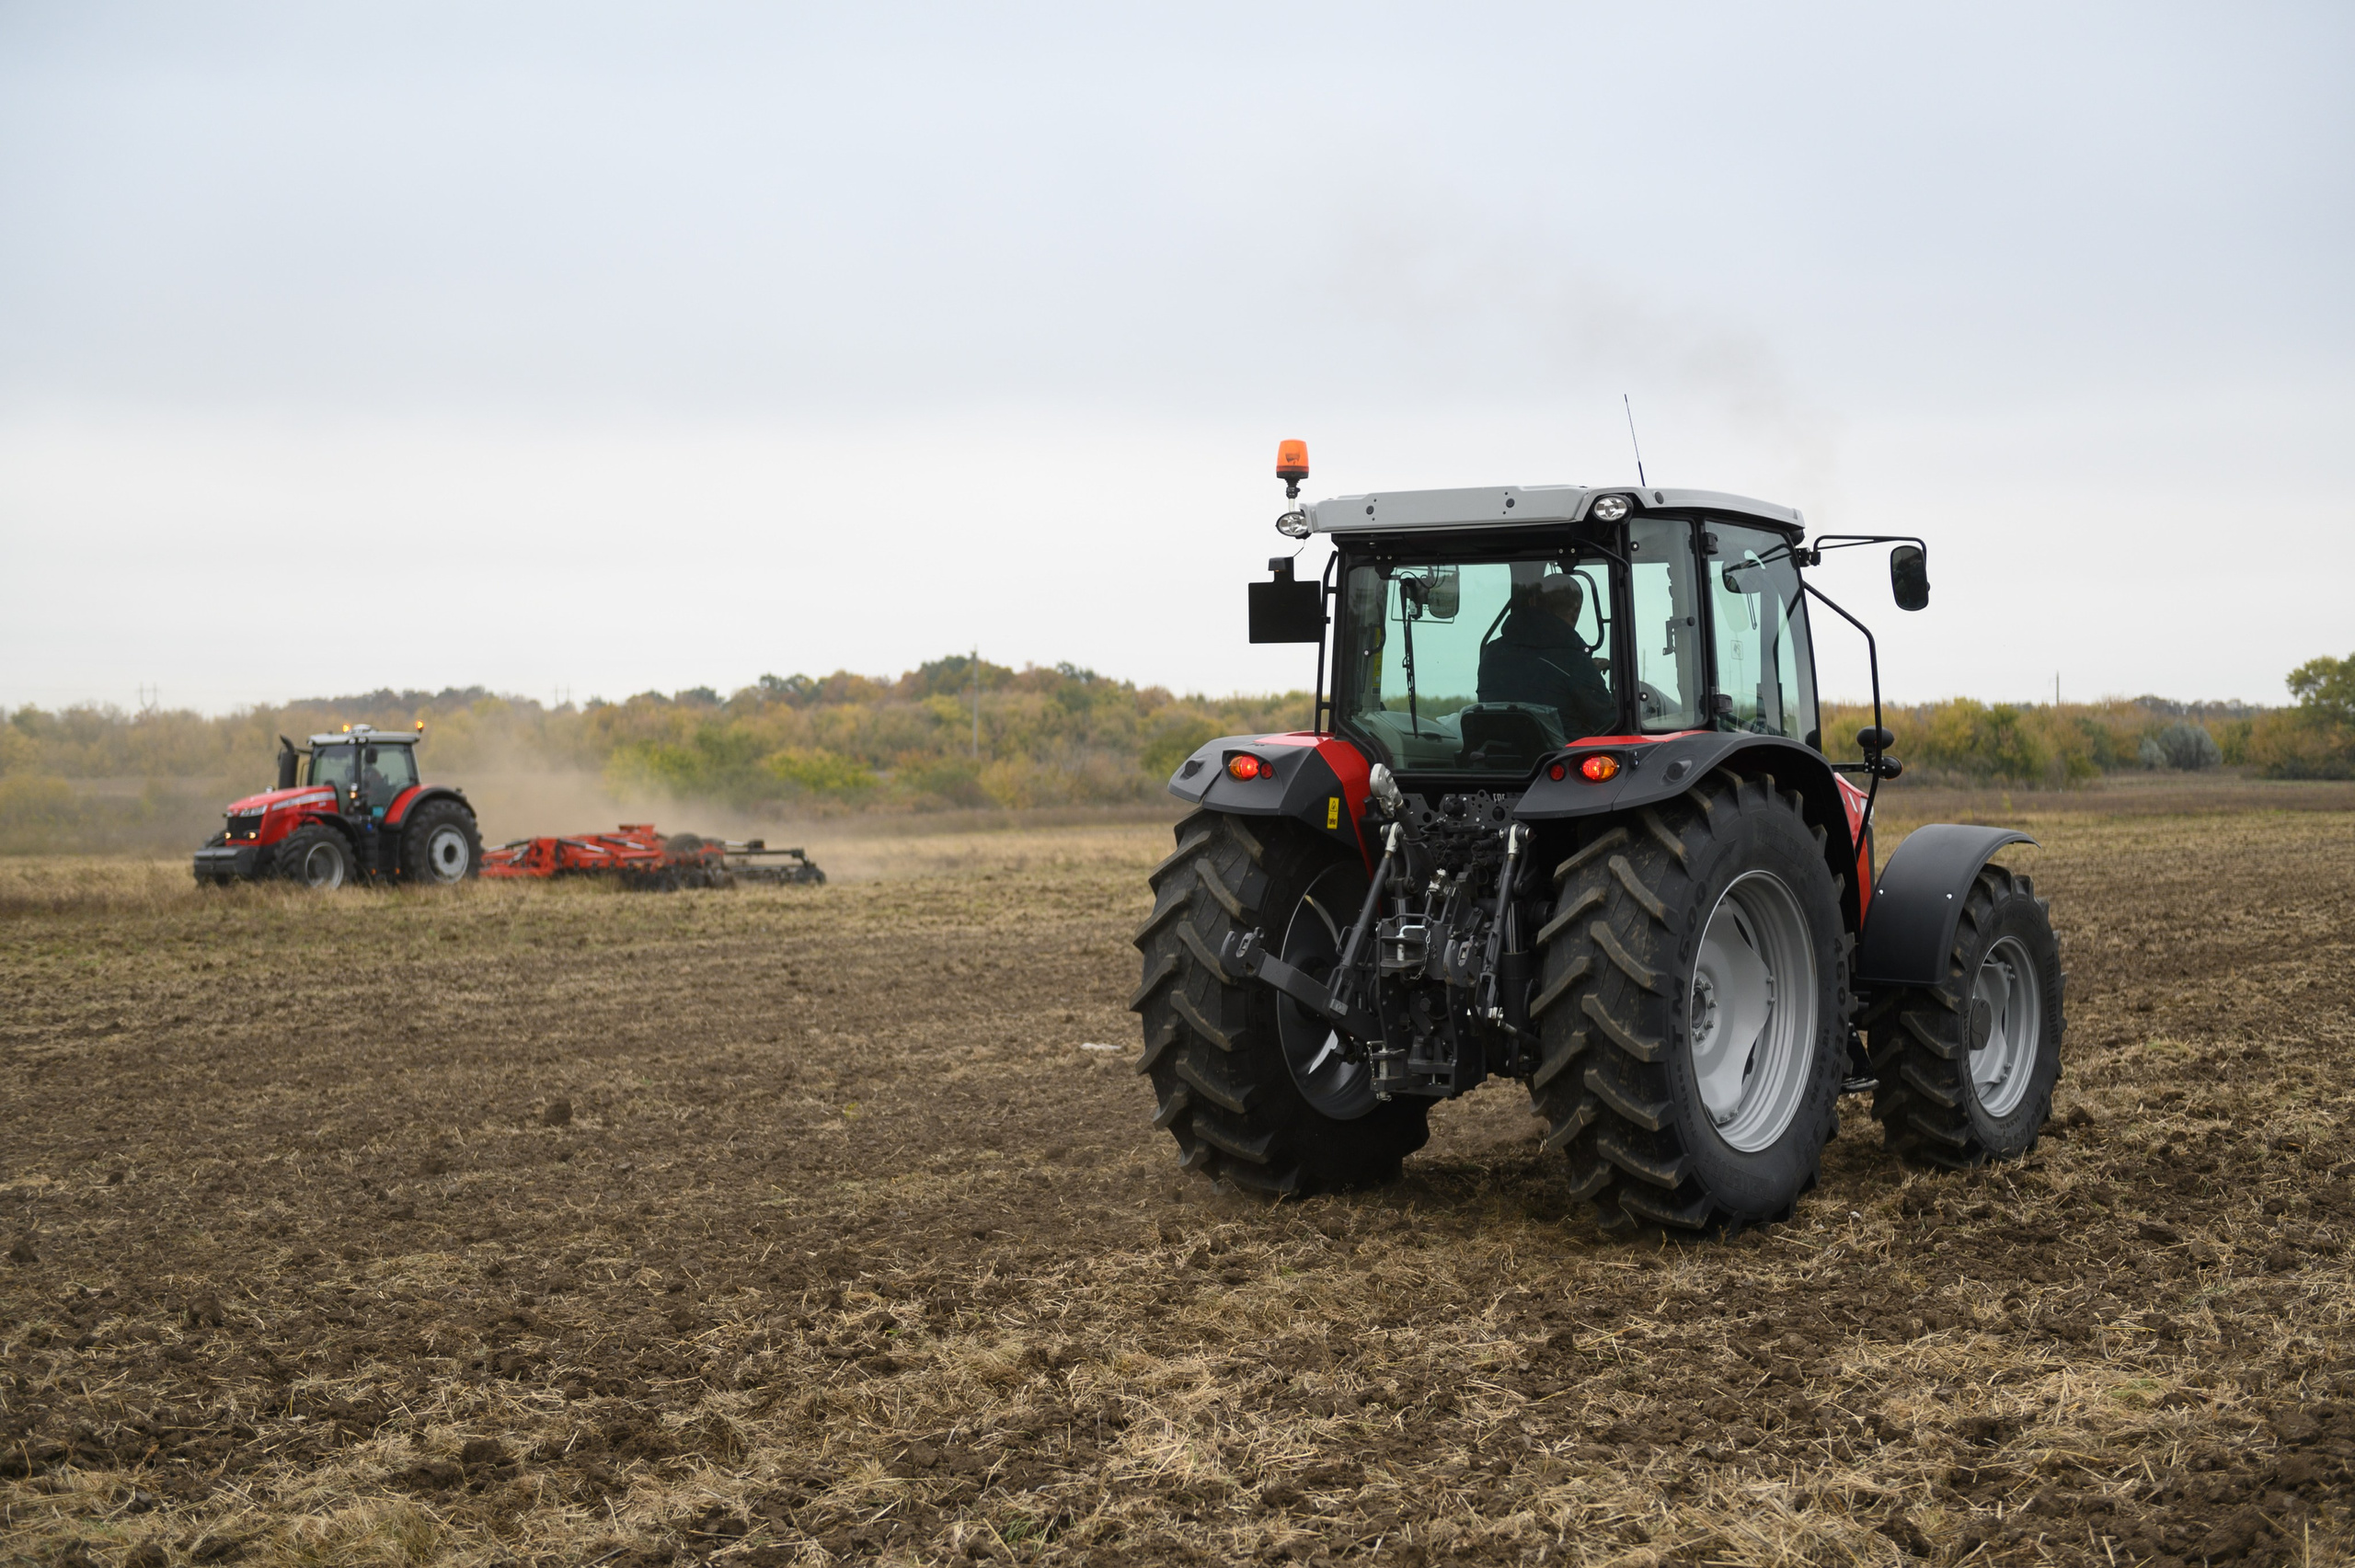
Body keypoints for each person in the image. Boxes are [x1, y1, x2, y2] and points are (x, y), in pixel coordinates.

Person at [1476, 571, 1616, 739]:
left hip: (1495, 757)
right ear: (1575, 611)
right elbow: (1611, 722)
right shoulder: (1575, 664)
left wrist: (1587, 670)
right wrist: (1588, 673)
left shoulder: (1491, 653)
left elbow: (1534, 676)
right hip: (1560, 760)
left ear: (1532, 602)